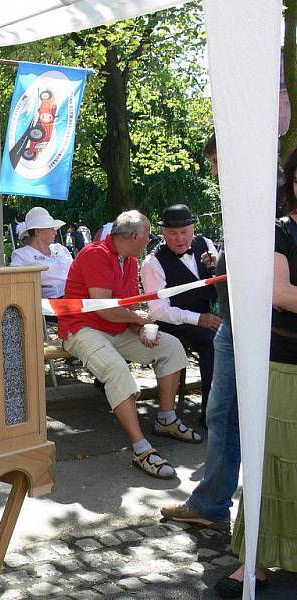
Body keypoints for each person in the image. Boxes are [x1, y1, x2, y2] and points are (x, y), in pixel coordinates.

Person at [59, 210, 199, 480]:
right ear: (135, 236)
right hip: (82, 329)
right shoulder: (95, 254)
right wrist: (139, 319)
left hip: (115, 328)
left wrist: (140, 325)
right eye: (147, 236)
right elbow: (106, 310)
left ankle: (166, 419)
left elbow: (128, 307)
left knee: (170, 346)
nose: (149, 241)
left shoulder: (131, 260)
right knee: (117, 370)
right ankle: (141, 448)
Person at [213, 148, 297, 598]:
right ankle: (256, 562)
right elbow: (281, 295)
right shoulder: (279, 232)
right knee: (274, 460)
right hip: (282, 363)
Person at [160, 134, 242, 531]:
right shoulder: (155, 261)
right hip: (202, 324)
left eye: (216, 161)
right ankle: (214, 502)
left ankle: (220, 506)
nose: (212, 171)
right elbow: (161, 310)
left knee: (226, 414)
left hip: (242, 322)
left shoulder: (267, 195)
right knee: (223, 413)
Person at [141, 203, 220, 428]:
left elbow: (222, 280)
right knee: (213, 342)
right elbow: (158, 310)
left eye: (184, 232)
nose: (180, 238)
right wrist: (198, 319)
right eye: (173, 233)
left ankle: (236, 406)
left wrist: (216, 266)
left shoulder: (205, 244)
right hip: (173, 322)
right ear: (164, 233)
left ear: (193, 228)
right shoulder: (152, 262)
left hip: (210, 314)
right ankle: (211, 414)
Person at [10, 207, 73, 298]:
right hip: (50, 303)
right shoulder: (21, 256)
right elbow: (17, 287)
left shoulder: (60, 248)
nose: (55, 233)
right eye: (52, 229)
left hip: (76, 294)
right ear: (38, 231)